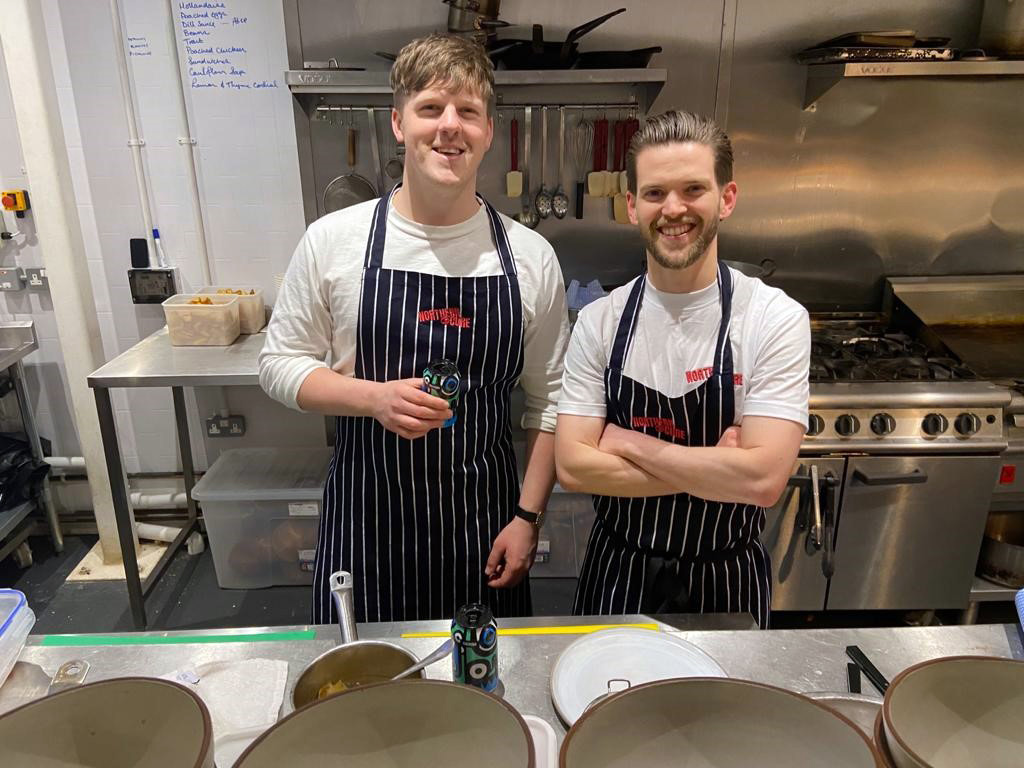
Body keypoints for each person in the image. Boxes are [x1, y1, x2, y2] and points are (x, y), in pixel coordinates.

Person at [259, 34, 569, 623]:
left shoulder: (529, 257)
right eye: (430, 108)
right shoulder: (334, 241)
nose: (450, 126)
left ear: (488, 131)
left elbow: (550, 401)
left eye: (468, 112)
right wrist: (371, 398)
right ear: (399, 124)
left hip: (485, 526)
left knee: (481, 692)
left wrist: (528, 518)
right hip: (365, 520)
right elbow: (279, 365)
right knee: (359, 691)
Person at [554, 110, 809, 629]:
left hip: (726, 583)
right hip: (616, 577)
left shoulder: (773, 318)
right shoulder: (600, 323)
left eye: (693, 189)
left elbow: (762, 482)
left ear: (727, 198)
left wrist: (630, 444)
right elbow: (574, 467)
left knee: (725, 712)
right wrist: (717, 472)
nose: (673, 209)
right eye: (654, 193)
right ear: (631, 206)